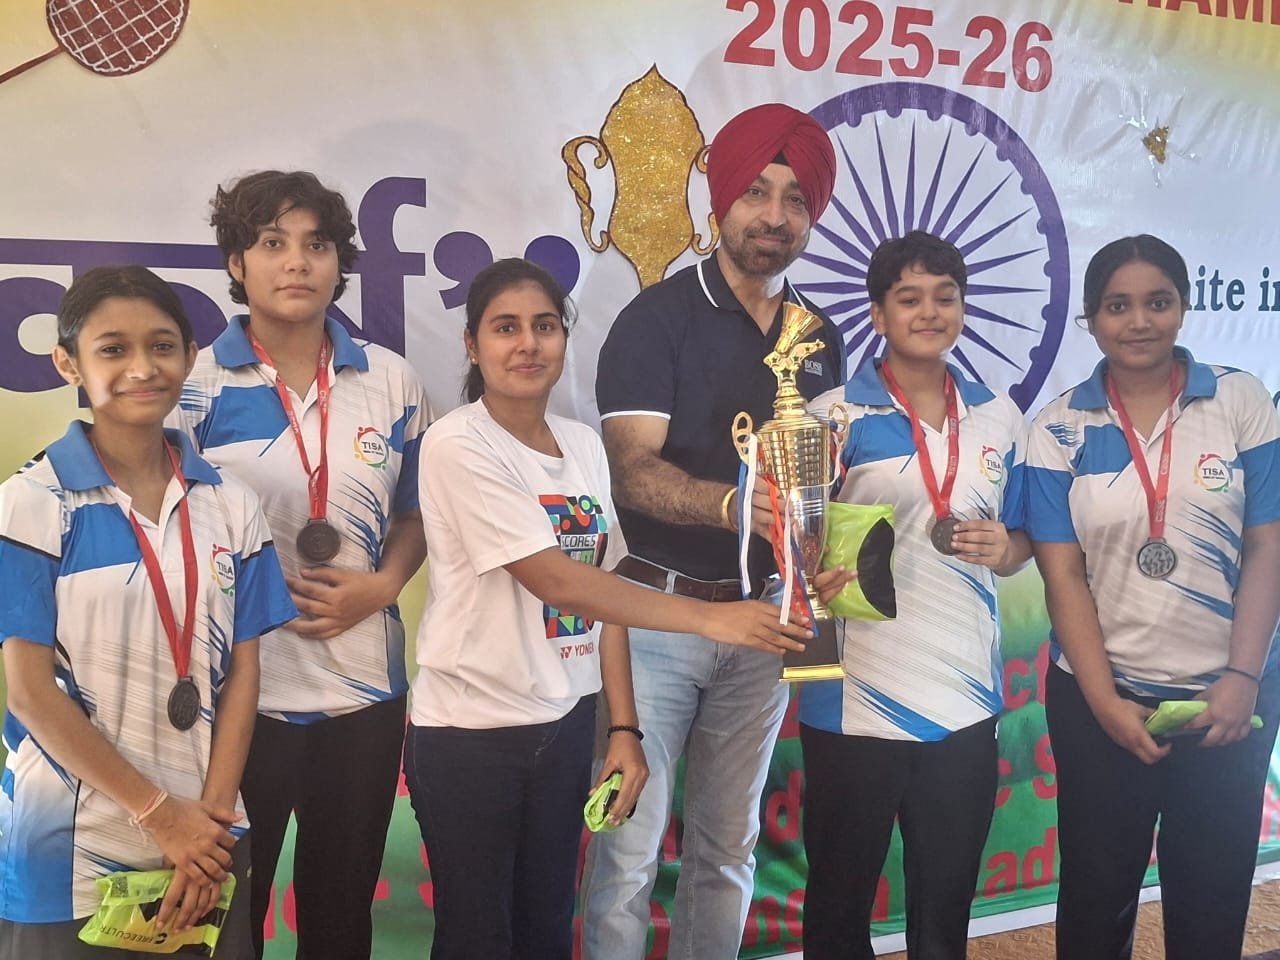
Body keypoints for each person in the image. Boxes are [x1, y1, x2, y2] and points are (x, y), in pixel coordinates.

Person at [405, 258, 819, 960]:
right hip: (473, 735)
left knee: (543, 928)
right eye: (505, 329)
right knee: (479, 936)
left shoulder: (582, 445)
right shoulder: (458, 442)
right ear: (473, 345)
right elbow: (562, 583)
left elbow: (607, 593)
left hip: (564, 726)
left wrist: (622, 727)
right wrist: (712, 619)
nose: (528, 344)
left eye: (544, 326)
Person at [580, 102, 847, 960]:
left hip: (766, 622)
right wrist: (741, 505)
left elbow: (823, 485)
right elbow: (633, 472)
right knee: (625, 851)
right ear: (720, 198)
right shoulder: (655, 320)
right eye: (758, 193)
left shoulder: (820, 338)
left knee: (726, 850)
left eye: (796, 199)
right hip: (656, 619)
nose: (775, 216)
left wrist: (822, 562)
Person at [170, 171, 430, 960]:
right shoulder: (191, 384)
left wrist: (384, 584)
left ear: (340, 262)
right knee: (228, 924)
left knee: (340, 915)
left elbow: (416, 515)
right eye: (272, 243)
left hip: (363, 696)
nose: (297, 262)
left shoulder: (390, 378)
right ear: (236, 262)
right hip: (238, 701)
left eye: (316, 244)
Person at [0, 266, 295, 960]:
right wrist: (164, 818)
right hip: (70, 857)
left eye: (162, 346)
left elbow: (244, 674)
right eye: (113, 349)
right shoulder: (32, 503)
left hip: (207, 846)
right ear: (68, 362)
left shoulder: (231, 503)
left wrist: (208, 826)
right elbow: (30, 693)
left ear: (189, 356)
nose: (142, 367)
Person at [1025, 235, 1280, 960]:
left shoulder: (1240, 399)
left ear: (1183, 306)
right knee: (1096, 902)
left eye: (1157, 302)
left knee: (1212, 898)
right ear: (1091, 318)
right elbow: (1062, 573)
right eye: (1118, 306)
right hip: (1102, 703)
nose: (1139, 322)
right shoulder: (1058, 428)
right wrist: (1105, 704)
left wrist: (1241, 679)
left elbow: (1270, 544)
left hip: (1228, 703)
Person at [799, 231, 1030, 959]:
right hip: (852, 699)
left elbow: (1024, 541)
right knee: (838, 905)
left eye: (944, 296)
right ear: (878, 312)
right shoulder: (831, 417)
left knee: (944, 906)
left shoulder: (1000, 416)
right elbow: (789, 553)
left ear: (963, 307)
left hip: (963, 697)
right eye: (909, 298)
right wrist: (809, 577)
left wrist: (1008, 548)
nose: (929, 312)